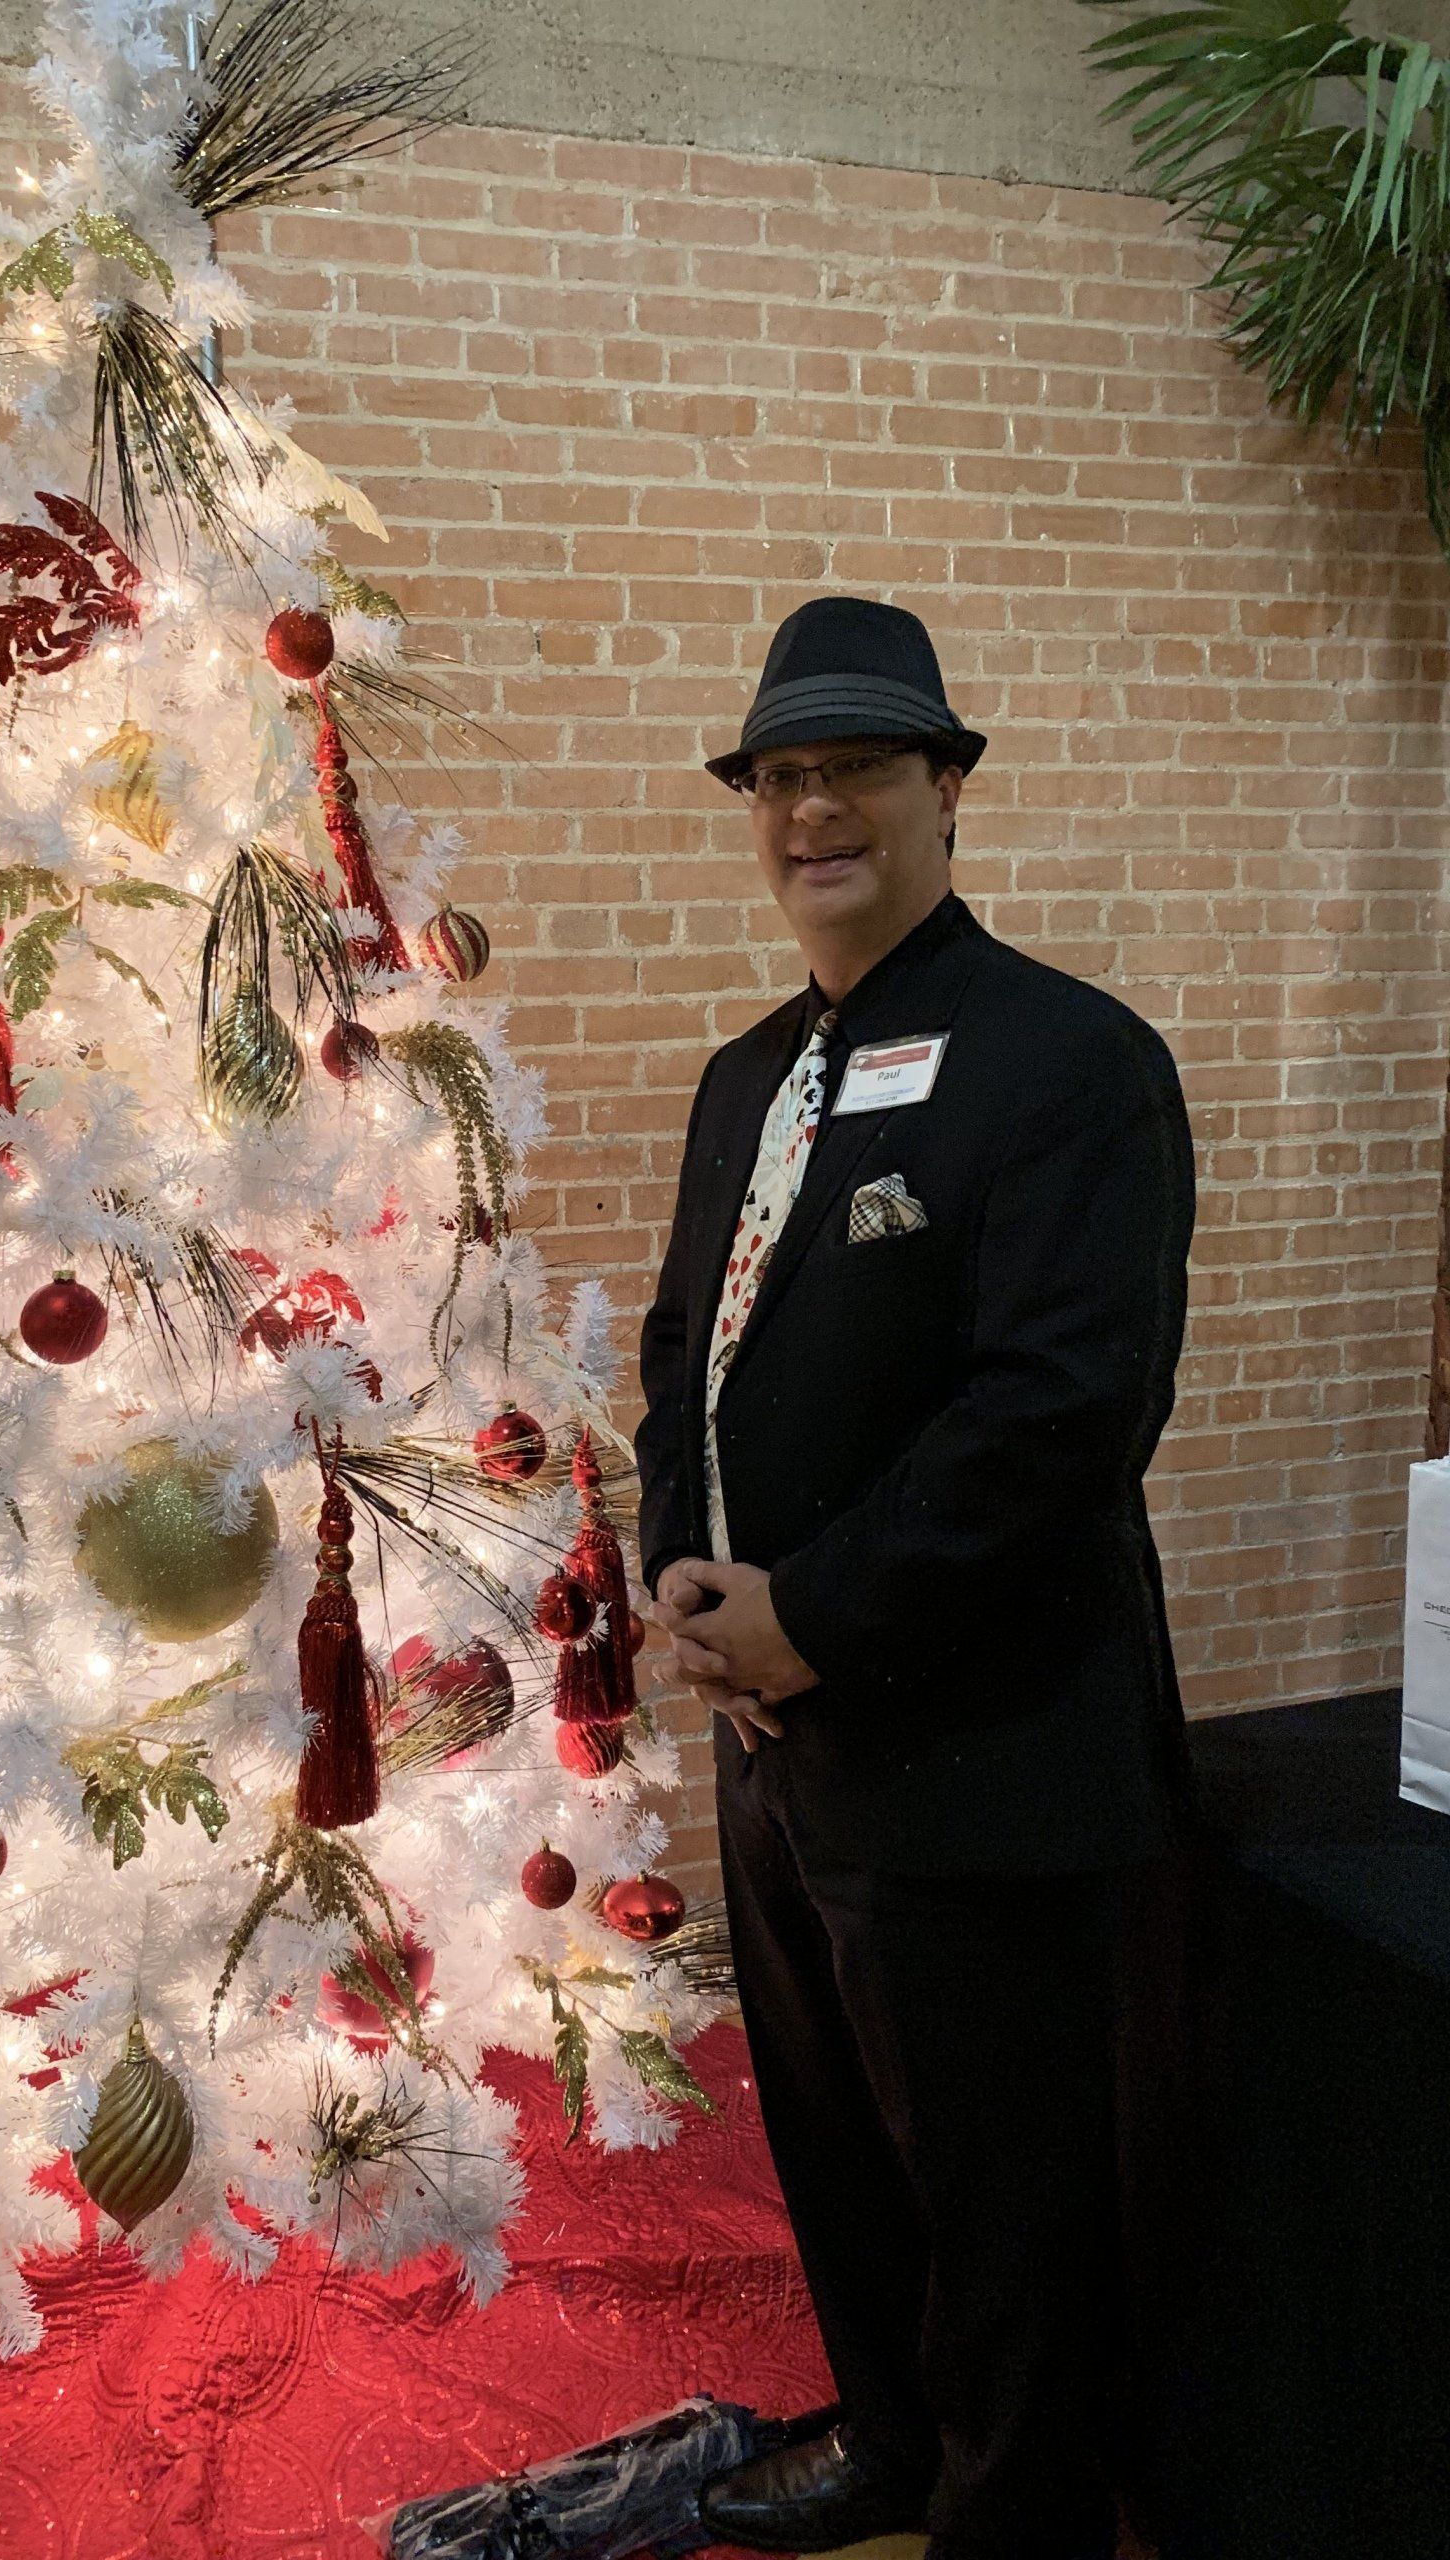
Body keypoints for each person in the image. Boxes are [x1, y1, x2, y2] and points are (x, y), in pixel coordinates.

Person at [635, 596, 1197, 2560]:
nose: (813, 810)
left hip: (982, 1746)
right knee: (839, 2147)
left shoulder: (1066, 1062)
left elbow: (1058, 1415)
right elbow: (681, 1363)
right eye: (781, 776)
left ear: (946, 788)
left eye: (859, 766)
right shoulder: (748, 1081)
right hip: (784, 1749)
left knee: (1004, 2192)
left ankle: (1013, 2515)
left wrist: (816, 1607)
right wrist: (682, 1583)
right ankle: (888, 2433)